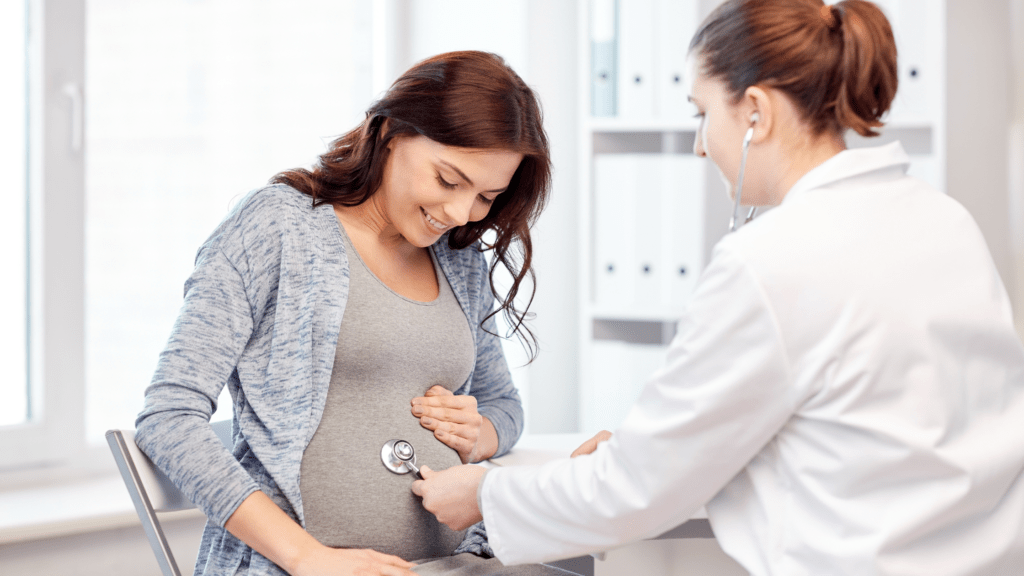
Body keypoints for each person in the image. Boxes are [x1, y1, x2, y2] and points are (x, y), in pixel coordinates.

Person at [411, 2, 1024, 574]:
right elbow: (875, 426)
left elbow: (638, 490)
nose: (702, 145)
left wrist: (488, 494)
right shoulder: (944, 221)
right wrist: (668, 441)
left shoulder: (773, 261)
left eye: (703, 113)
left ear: (755, 111)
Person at [135, 51, 573, 576]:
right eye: (448, 180)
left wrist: (479, 433)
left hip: (459, 562)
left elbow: (504, 404)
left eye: (486, 196)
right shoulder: (279, 228)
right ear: (390, 133)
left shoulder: (459, 258)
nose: (460, 214)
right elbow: (167, 419)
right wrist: (307, 557)